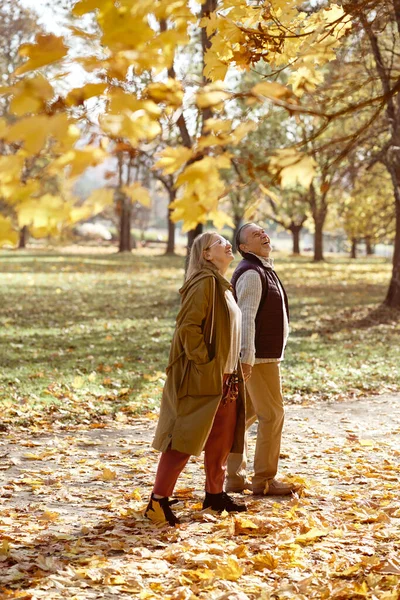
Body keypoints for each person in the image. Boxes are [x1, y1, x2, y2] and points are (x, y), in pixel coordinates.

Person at [145, 232, 247, 526]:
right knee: (184, 439)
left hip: (226, 377)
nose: (228, 245)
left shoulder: (222, 286)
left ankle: (215, 496)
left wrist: (228, 368)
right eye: (220, 243)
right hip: (203, 376)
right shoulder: (204, 283)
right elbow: (188, 328)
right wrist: (205, 362)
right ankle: (157, 502)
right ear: (206, 254)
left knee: (220, 440)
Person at [226, 223, 297, 496]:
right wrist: (247, 358)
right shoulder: (252, 273)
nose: (264, 235)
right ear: (244, 248)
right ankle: (264, 479)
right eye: (256, 235)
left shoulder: (262, 269)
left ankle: (234, 477)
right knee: (273, 414)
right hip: (259, 359)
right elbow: (245, 318)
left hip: (261, 356)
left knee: (245, 416)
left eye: (264, 232)